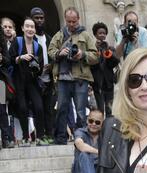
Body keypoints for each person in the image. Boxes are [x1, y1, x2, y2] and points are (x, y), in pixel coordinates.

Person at [48, 7, 98, 145]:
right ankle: (61, 138)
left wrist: (83, 54)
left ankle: (81, 138)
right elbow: (50, 51)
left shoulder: (85, 35)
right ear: (65, 20)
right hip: (63, 78)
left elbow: (95, 56)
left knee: (81, 111)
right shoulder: (59, 35)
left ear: (78, 20)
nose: (71, 24)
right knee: (61, 109)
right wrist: (60, 53)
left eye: (74, 21)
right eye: (69, 21)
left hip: (80, 78)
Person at [9, 18, 47, 147]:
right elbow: (9, 60)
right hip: (18, 80)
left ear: (35, 30)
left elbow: (40, 68)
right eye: (28, 26)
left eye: (32, 27)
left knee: (39, 107)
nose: (30, 29)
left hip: (32, 80)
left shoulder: (38, 47)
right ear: (22, 28)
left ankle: (40, 137)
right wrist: (20, 58)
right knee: (23, 107)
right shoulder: (17, 42)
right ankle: (25, 137)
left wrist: (36, 65)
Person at [31, 7, 55, 144]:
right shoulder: (30, 38)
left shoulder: (50, 38)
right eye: (36, 18)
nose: (39, 20)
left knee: (48, 108)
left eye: (41, 18)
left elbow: (53, 56)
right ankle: (40, 135)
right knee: (38, 108)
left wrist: (51, 66)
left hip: (49, 78)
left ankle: (49, 134)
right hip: (35, 79)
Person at [72, 109, 103, 173]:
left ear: (102, 124)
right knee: (84, 154)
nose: (93, 124)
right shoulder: (80, 132)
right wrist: (100, 152)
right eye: (91, 121)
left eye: (97, 122)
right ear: (87, 120)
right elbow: (80, 145)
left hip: (99, 172)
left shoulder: (105, 135)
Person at [91, 22, 119, 117]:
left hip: (109, 84)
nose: (102, 35)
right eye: (100, 33)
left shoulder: (110, 48)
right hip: (97, 83)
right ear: (95, 34)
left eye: (104, 33)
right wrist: (97, 50)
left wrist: (107, 52)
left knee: (109, 109)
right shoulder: (92, 48)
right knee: (100, 109)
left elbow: (115, 62)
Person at [0, 24, 14, 148]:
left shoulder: (1, 38)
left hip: (0, 79)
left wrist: (1, 58)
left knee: (2, 108)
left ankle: (5, 139)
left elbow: (8, 60)